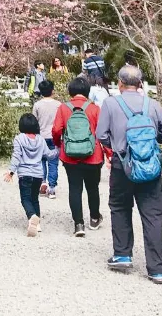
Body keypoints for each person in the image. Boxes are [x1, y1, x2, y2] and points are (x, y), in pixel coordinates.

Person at [96, 64, 162, 285]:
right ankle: (157, 270)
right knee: (152, 215)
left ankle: (123, 255)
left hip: (122, 165)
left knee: (120, 207)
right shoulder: (153, 104)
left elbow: (101, 135)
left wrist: (118, 146)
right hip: (150, 167)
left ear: (120, 83)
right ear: (141, 84)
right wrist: (147, 145)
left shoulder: (110, 104)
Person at [53, 75, 105, 237]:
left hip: (70, 155)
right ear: (87, 91)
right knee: (93, 188)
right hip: (93, 156)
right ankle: (94, 218)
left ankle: (79, 224)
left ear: (71, 91)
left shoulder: (63, 108)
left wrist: (59, 143)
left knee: (75, 188)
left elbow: (56, 130)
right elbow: (102, 133)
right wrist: (109, 153)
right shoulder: (95, 108)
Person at [3, 113, 57, 237]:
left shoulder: (19, 138)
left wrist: (11, 172)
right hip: (38, 175)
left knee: (25, 199)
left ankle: (32, 216)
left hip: (25, 175)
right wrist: (58, 150)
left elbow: (16, 156)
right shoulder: (40, 139)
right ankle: (37, 225)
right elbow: (49, 155)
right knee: (34, 198)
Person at [32, 80, 62, 198]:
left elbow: (34, 122)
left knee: (41, 161)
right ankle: (52, 188)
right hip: (54, 136)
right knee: (53, 163)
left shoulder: (37, 105)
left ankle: (42, 182)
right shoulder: (58, 105)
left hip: (41, 136)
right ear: (52, 90)